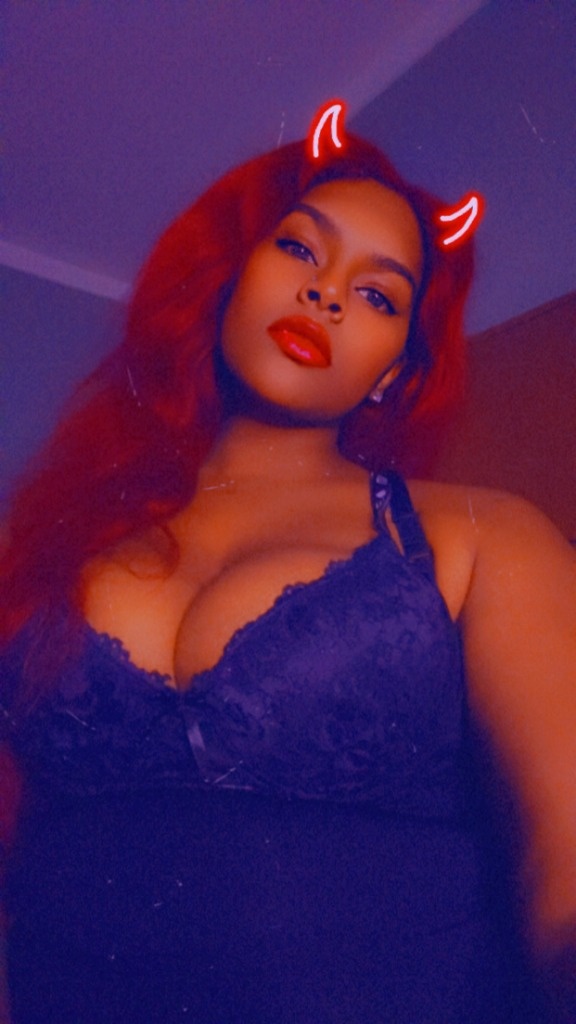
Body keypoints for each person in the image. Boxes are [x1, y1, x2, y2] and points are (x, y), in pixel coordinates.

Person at [1, 122, 575, 1024]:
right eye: (301, 247)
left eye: (378, 295)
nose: (326, 293)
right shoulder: (45, 543)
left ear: (394, 372)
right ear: (228, 275)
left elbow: (567, 860)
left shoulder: (481, 536)